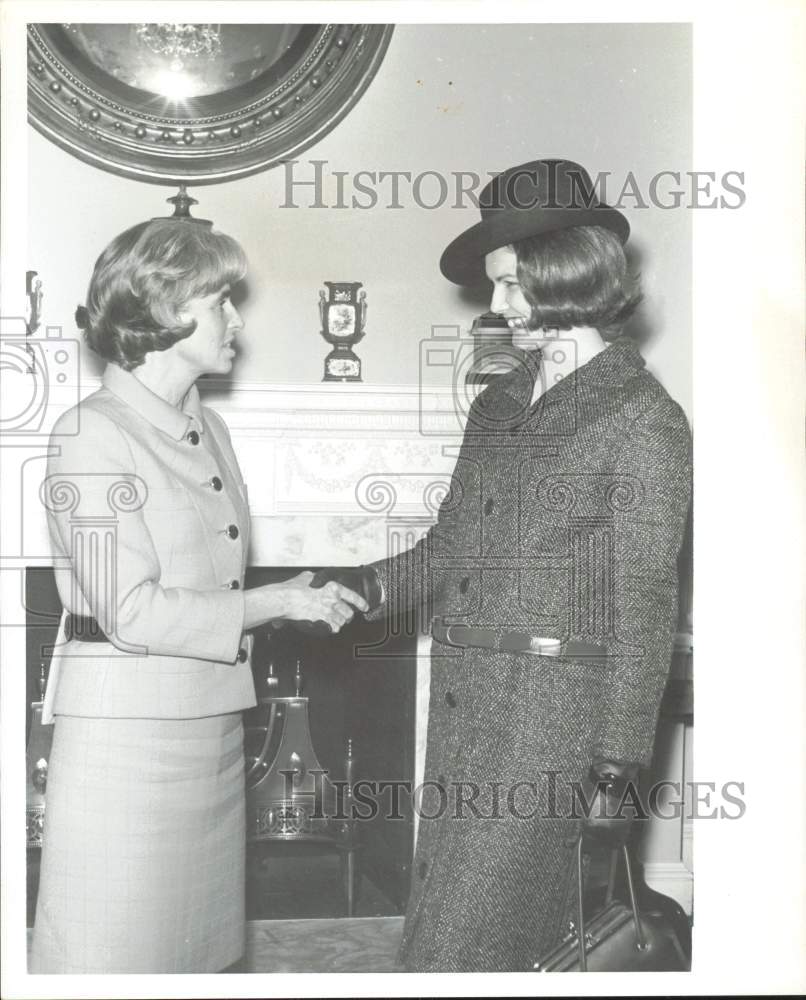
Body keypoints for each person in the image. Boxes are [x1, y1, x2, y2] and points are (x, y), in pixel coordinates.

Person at [312, 159, 693, 971]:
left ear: (566, 275)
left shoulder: (643, 420)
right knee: (456, 937)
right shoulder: (500, 403)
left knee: (467, 947)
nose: (496, 307)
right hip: (465, 708)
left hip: (553, 729)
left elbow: (646, 605)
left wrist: (617, 767)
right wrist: (366, 586)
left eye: (513, 285)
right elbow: (454, 546)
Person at [30, 218, 368, 974]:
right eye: (222, 301)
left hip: (213, 727)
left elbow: (210, 575)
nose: (237, 321)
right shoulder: (87, 436)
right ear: (168, 308)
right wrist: (276, 603)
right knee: (110, 955)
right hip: (127, 744)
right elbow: (128, 612)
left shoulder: (207, 427)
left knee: (196, 960)